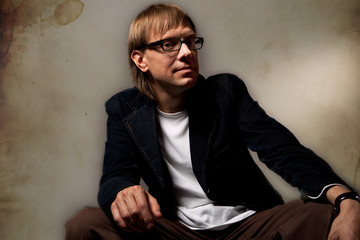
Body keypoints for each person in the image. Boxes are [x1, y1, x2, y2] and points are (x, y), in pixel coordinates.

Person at [65, 3, 360, 240]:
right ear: (140, 60)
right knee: (85, 223)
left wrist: (346, 199)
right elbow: (115, 175)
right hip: (177, 230)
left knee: (324, 213)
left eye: (190, 42)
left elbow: (282, 150)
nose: (186, 53)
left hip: (250, 227)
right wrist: (121, 193)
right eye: (170, 44)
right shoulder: (123, 109)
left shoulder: (225, 91)